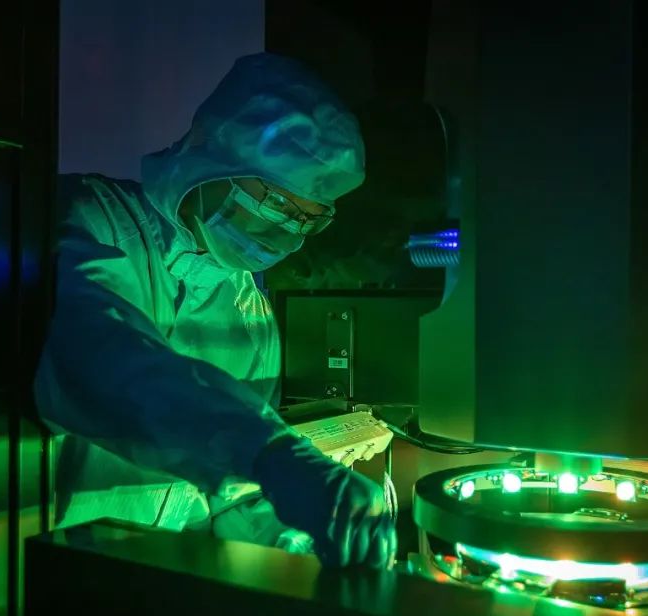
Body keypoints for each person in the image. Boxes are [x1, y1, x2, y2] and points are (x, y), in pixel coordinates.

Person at [34, 53, 396, 569]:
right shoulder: (95, 219)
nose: (286, 233)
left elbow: (235, 500)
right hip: (47, 567)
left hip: (160, 581)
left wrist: (299, 546)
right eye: (277, 204)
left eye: (307, 220)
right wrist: (271, 454)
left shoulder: (249, 312)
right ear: (217, 153)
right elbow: (112, 365)